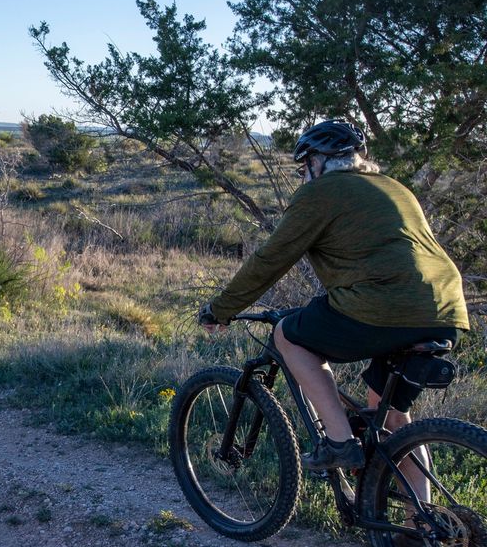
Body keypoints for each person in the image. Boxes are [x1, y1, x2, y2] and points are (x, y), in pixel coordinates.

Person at [199, 119, 470, 477]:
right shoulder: (394, 187)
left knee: (287, 334)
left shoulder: (320, 192)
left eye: (304, 166)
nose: (303, 174)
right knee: (392, 421)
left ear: (317, 161)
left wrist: (221, 309)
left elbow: (271, 259)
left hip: (380, 305)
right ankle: (419, 524)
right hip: (445, 309)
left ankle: (339, 442)